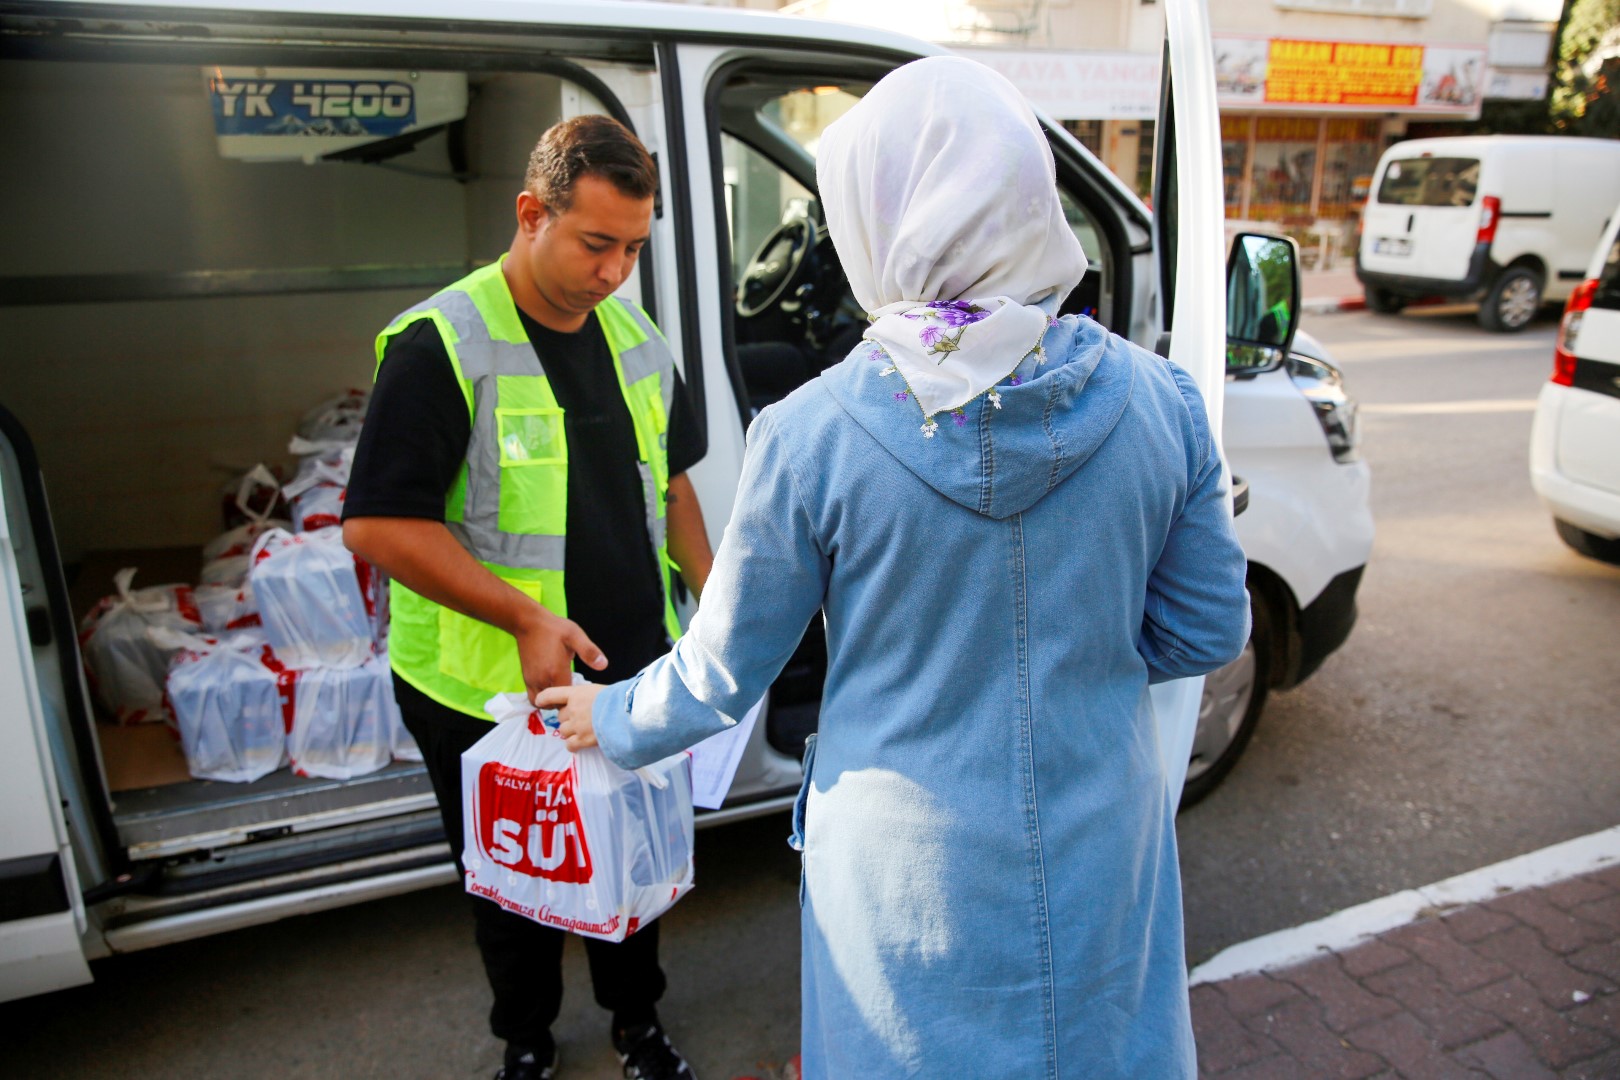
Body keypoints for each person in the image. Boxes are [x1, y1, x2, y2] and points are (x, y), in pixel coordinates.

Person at [538, 57, 1250, 1079]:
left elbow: (721, 675)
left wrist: (602, 716)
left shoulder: (811, 433)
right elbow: (1206, 634)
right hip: (1100, 853)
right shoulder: (1164, 403)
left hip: (902, 884)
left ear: (869, 214)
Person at [342, 114, 712, 1080]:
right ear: (529, 214)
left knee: (632, 858)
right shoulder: (441, 343)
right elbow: (378, 525)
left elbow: (672, 484)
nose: (615, 272)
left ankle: (639, 1025)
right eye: (597, 244)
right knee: (512, 883)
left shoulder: (634, 334)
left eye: (633, 247)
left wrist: (713, 605)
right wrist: (522, 616)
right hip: (489, 691)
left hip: (625, 674)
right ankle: (528, 1040)